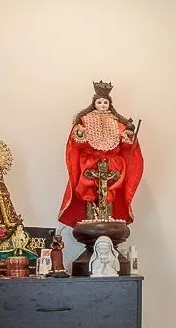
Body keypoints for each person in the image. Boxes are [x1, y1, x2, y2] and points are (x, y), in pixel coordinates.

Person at [58, 81, 144, 227]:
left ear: (109, 104)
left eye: (105, 102)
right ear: (94, 103)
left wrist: (128, 136)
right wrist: (79, 133)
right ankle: (91, 212)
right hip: (90, 161)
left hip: (112, 162)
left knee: (111, 189)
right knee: (88, 186)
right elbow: (78, 143)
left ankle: (108, 214)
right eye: (100, 102)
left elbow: (124, 142)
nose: (103, 105)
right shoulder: (85, 120)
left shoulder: (117, 121)